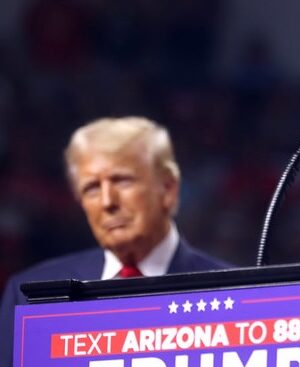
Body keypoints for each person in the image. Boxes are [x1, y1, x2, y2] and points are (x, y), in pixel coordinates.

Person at [0, 117, 230, 365]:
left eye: (122, 180)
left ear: (168, 189)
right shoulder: (29, 298)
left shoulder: (233, 296)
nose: (108, 201)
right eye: (91, 188)